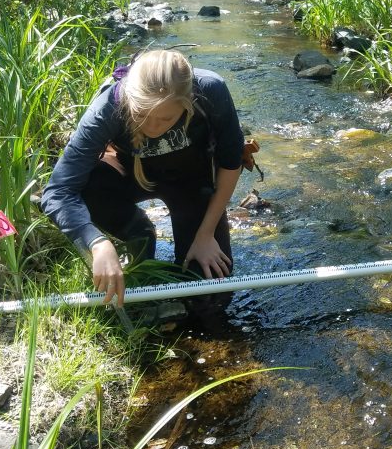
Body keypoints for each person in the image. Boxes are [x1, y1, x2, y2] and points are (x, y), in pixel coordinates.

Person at [40, 49, 245, 306]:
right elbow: (58, 191)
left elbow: (230, 163)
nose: (152, 128)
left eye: (165, 118)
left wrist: (205, 235)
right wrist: (96, 242)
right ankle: (138, 233)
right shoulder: (107, 109)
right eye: (140, 115)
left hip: (190, 186)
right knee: (90, 186)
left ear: (188, 101)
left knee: (211, 295)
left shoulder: (211, 90)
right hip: (127, 178)